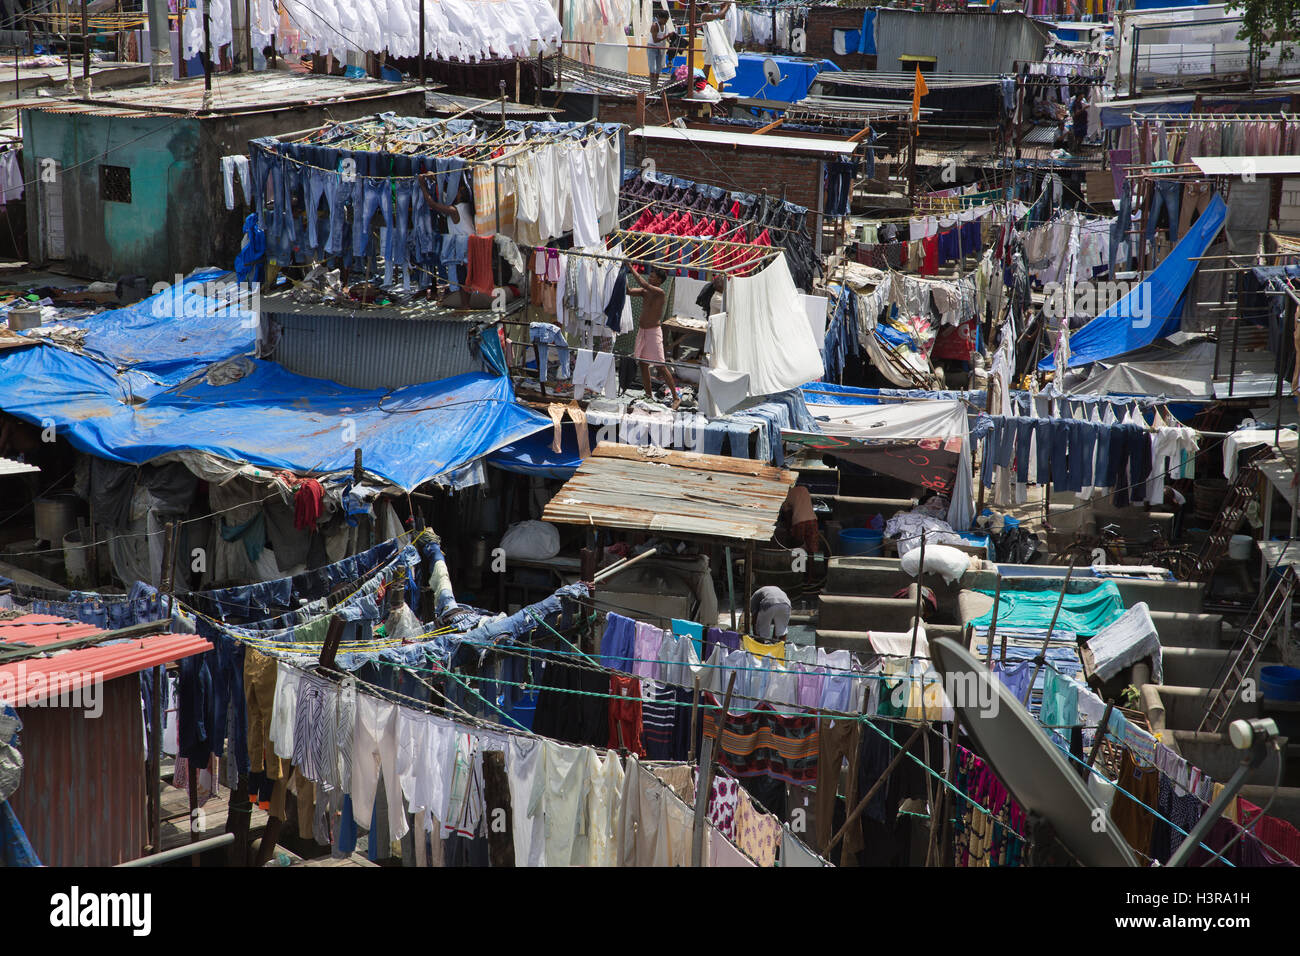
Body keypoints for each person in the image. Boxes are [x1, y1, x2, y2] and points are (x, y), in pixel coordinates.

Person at [625, 267, 680, 409]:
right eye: (650, 276)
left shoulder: (660, 292)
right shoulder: (646, 292)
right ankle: (648, 395)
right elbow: (628, 291)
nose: (650, 278)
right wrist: (622, 276)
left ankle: (675, 397)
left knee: (660, 366)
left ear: (660, 281)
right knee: (643, 364)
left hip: (653, 332)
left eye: (653, 277)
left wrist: (630, 267)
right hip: (642, 331)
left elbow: (644, 285)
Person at [418, 172, 474, 305]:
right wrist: (437, 180)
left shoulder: (454, 210)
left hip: (463, 244)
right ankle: (465, 303)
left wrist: (423, 186)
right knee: (464, 275)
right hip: (470, 242)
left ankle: (465, 305)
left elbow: (433, 204)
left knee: (462, 276)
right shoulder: (466, 206)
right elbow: (448, 192)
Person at [649, 9, 672, 90]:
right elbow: (655, 40)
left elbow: (667, 38)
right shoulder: (654, 26)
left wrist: (670, 39)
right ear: (660, 18)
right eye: (664, 19)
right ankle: (652, 86)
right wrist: (666, 36)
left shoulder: (665, 26)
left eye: (667, 19)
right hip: (652, 48)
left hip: (661, 48)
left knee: (658, 68)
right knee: (653, 68)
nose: (665, 21)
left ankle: (655, 85)